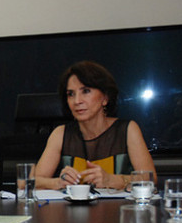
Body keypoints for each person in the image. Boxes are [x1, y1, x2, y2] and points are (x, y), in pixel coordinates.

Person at [35, 60, 156, 189]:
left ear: (105, 98)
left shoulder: (127, 130)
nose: (77, 101)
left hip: (120, 203)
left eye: (86, 91)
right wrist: (57, 183)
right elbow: (31, 181)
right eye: (71, 94)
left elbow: (150, 179)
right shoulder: (61, 134)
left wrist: (112, 180)